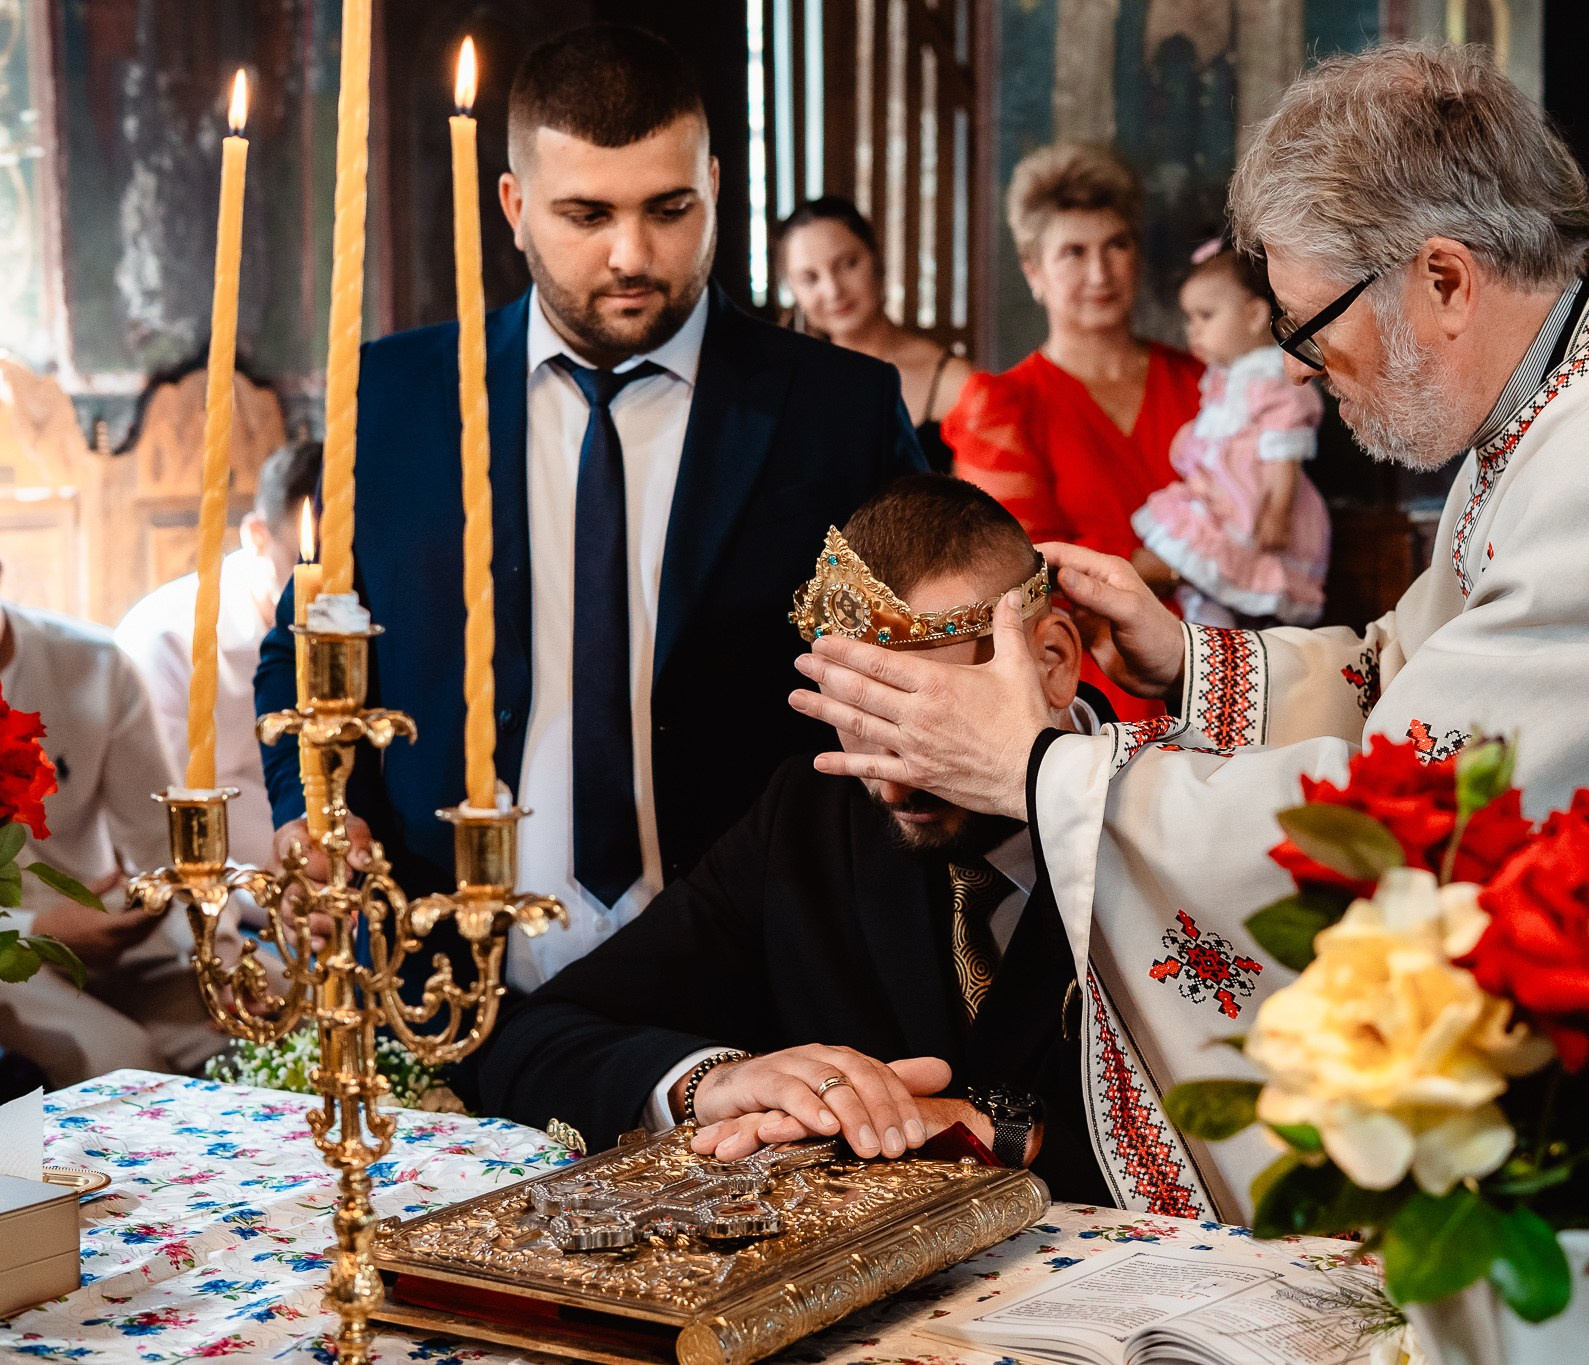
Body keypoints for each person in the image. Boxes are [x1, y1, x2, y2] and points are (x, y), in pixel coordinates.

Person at [786, 45, 1589, 1311]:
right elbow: (1447, 667)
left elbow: (1438, 805)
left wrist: (1041, 772)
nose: (1297, 369)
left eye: (1309, 325)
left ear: (1442, 277)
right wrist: (1192, 664)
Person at [253, 24, 924, 992]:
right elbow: (304, 654)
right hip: (449, 980)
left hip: (752, 981)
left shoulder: (834, 411)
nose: (632, 254)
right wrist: (311, 813)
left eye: (669, 208)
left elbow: (914, 666)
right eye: (585, 214)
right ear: (514, 207)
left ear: (716, 189)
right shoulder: (393, 401)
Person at [477, 475, 1112, 1204]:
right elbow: (536, 1042)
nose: (891, 783)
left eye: (927, 716)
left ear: (1053, 661)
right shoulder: (811, 813)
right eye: (858, 715)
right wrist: (712, 1082)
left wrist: (1001, 1132)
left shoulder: (1174, 823)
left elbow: (1245, 1154)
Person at [943, 143, 1204, 718]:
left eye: (1117, 245)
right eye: (1073, 252)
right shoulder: (1003, 407)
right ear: (1033, 270)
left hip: (1221, 662)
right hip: (1087, 688)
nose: (1099, 273)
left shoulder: (1207, 382)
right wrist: (1195, 563)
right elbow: (1019, 573)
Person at [0, 579, 243, 1086]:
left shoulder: (92, 663)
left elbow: (164, 843)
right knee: (124, 1065)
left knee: (278, 1005)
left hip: (109, 931)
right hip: (12, 961)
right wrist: (35, 931)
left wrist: (219, 953)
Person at [117, 441, 321, 866]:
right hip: (219, 895)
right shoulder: (168, 637)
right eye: (307, 560)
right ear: (257, 536)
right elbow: (155, 811)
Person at [1130, 241, 1329, 627]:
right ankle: (1208, 630)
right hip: (1224, 502)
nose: (1193, 330)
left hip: (1257, 507)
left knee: (1253, 587)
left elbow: (1283, 450)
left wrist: (1279, 512)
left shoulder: (1274, 374)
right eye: (1190, 318)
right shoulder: (1224, 377)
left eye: (1206, 316)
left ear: (1254, 314)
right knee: (1207, 572)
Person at [778, 197, 975, 472]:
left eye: (848, 264)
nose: (833, 290)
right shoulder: (788, 392)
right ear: (793, 291)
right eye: (810, 278)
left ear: (876, 258)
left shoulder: (955, 383)